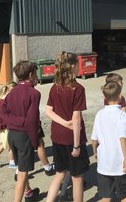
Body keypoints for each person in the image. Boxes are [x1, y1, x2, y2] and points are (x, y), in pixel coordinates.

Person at [45, 51, 90, 202]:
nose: (80, 66)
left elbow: (48, 111)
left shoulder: (54, 87)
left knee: (59, 174)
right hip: (72, 138)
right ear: (71, 66)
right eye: (78, 63)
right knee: (77, 178)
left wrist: (63, 123)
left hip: (57, 136)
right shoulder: (77, 88)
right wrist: (77, 145)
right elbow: (76, 117)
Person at [1, 61, 41, 202]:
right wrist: (35, 141)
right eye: (35, 73)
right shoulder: (34, 94)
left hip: (12, 134)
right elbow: (32, 120)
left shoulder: (11, 93)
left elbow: (3, 113)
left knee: (20, 168)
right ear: (30, 75)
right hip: (24, 136)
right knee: (23, 174)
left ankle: (28, 193)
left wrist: (15, 121)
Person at [91, 81, 126, 202]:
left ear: (104, 97)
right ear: (120, 96)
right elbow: (122, 137)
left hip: (104, 164)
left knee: (106, 197)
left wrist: (94, 151)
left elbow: (94, 138)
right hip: (119, 164)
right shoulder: (122, 116)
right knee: (125, 195)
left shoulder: (99, 114)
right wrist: (125, 157)